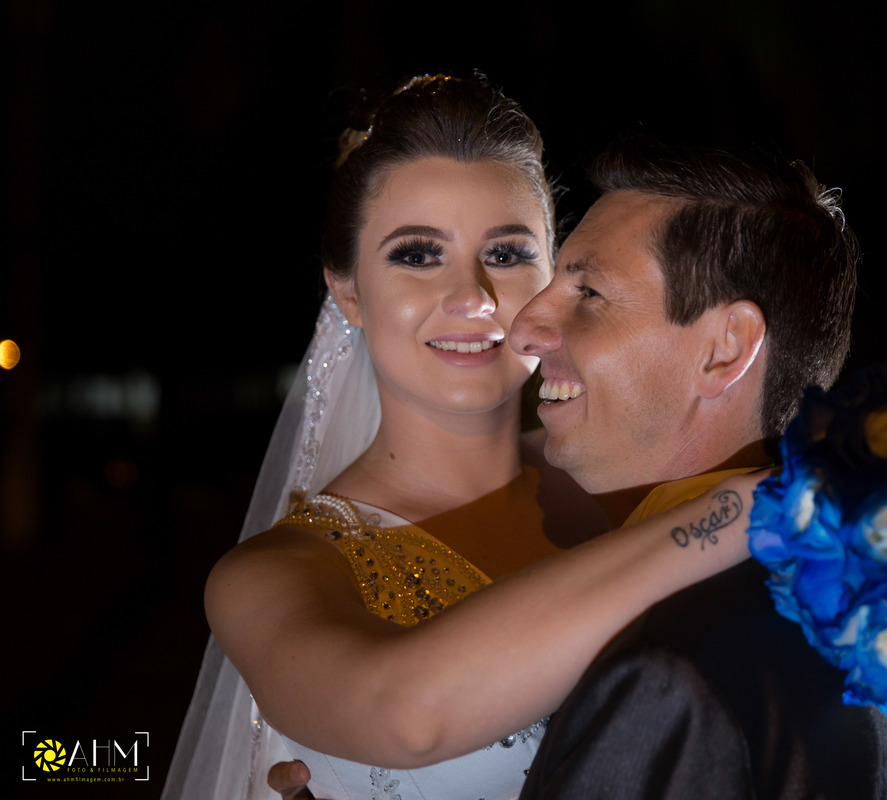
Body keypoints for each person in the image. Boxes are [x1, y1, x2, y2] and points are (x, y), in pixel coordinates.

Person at [163, 75, 763, 800]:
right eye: (418, 254)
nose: (473, 297)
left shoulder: (635, 478)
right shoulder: (276, 576)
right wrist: (749, 511)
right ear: (347, 290)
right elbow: (404, 714)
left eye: (507, 254)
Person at [509, 138, 887, 798]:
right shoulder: (861, 623)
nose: (526, 326)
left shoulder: (669, 663)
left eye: (587, 292)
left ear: (725, 349)